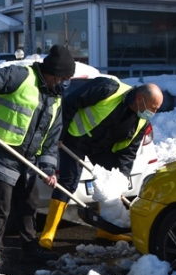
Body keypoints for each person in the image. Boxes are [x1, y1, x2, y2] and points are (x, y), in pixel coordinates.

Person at [0, 44, 76, 271]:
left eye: (68, 79)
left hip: (26, 161)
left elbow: (50, 140)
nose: (64, 83)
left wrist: (47, 171)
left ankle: (29, 248)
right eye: (62, 77)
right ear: (50, 73)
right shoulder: (21, 76)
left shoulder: (55, 99)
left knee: (29, 204)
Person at [39, 80, 164, 249]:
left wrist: (119, 179)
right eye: (153, 108)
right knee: (69, 181)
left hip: (101, 146)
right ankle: (49, 233)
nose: (153, 113)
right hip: (76, 137)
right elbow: (70, 102)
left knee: (108, 184)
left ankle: (105, 231)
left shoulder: (141, 122)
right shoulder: (108, 89)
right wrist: (59, 134)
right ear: (139, 99)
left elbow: (128, 152)